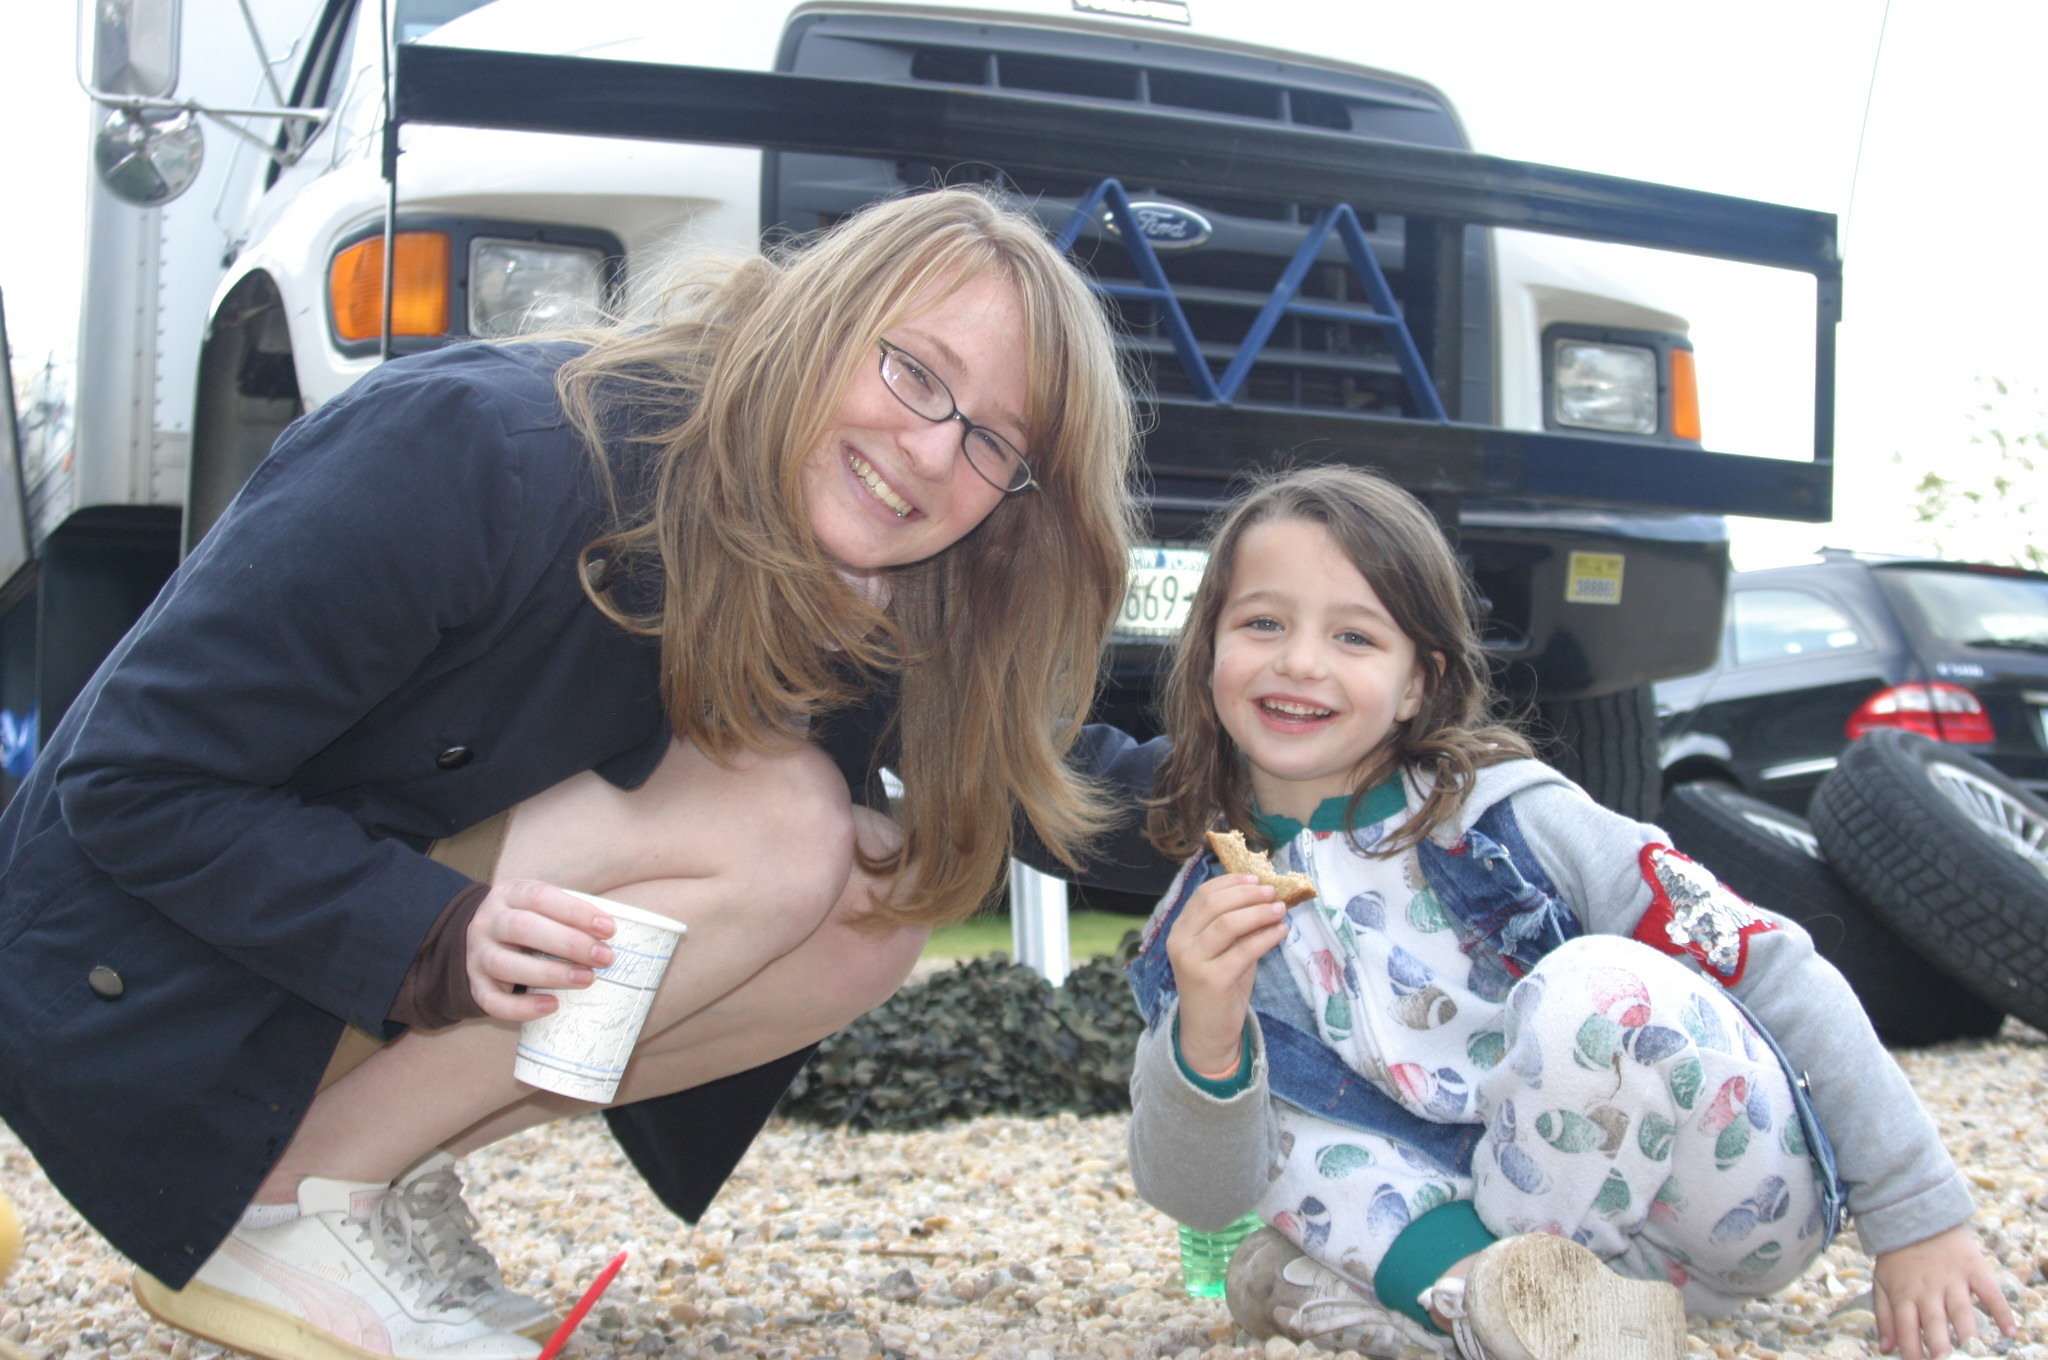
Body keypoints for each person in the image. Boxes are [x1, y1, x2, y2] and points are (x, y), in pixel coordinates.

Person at [0, 187, 1145, 1360]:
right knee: (791, 829)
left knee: (875, 894)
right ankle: (281, 1205)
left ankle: (357, 1177)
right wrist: (427, 931)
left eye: (996, 441)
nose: (932, 447)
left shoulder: (841, 566)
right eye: (913, 371)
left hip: (312, 982)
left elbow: (1047, 781)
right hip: (125, 984)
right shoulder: (482, 450)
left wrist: (1290, 789)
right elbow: (132, 783)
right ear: (819, 317)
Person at [1125, 466, 2018, 1360]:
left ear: (1415, 684)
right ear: (1210, 653)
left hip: (1718, 1200)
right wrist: (1206, 1031)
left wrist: (1916, 1215)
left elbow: (1763, 960)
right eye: (1263, 623)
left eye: (1354, 635)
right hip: (1477, 1229)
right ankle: (1531, 1325)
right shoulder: (1193, 928)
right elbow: (1201, 1194)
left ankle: (1456, 1305)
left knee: (1597, 990)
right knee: (1282, 1131)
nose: (1300, 661)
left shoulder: (1515, 821)